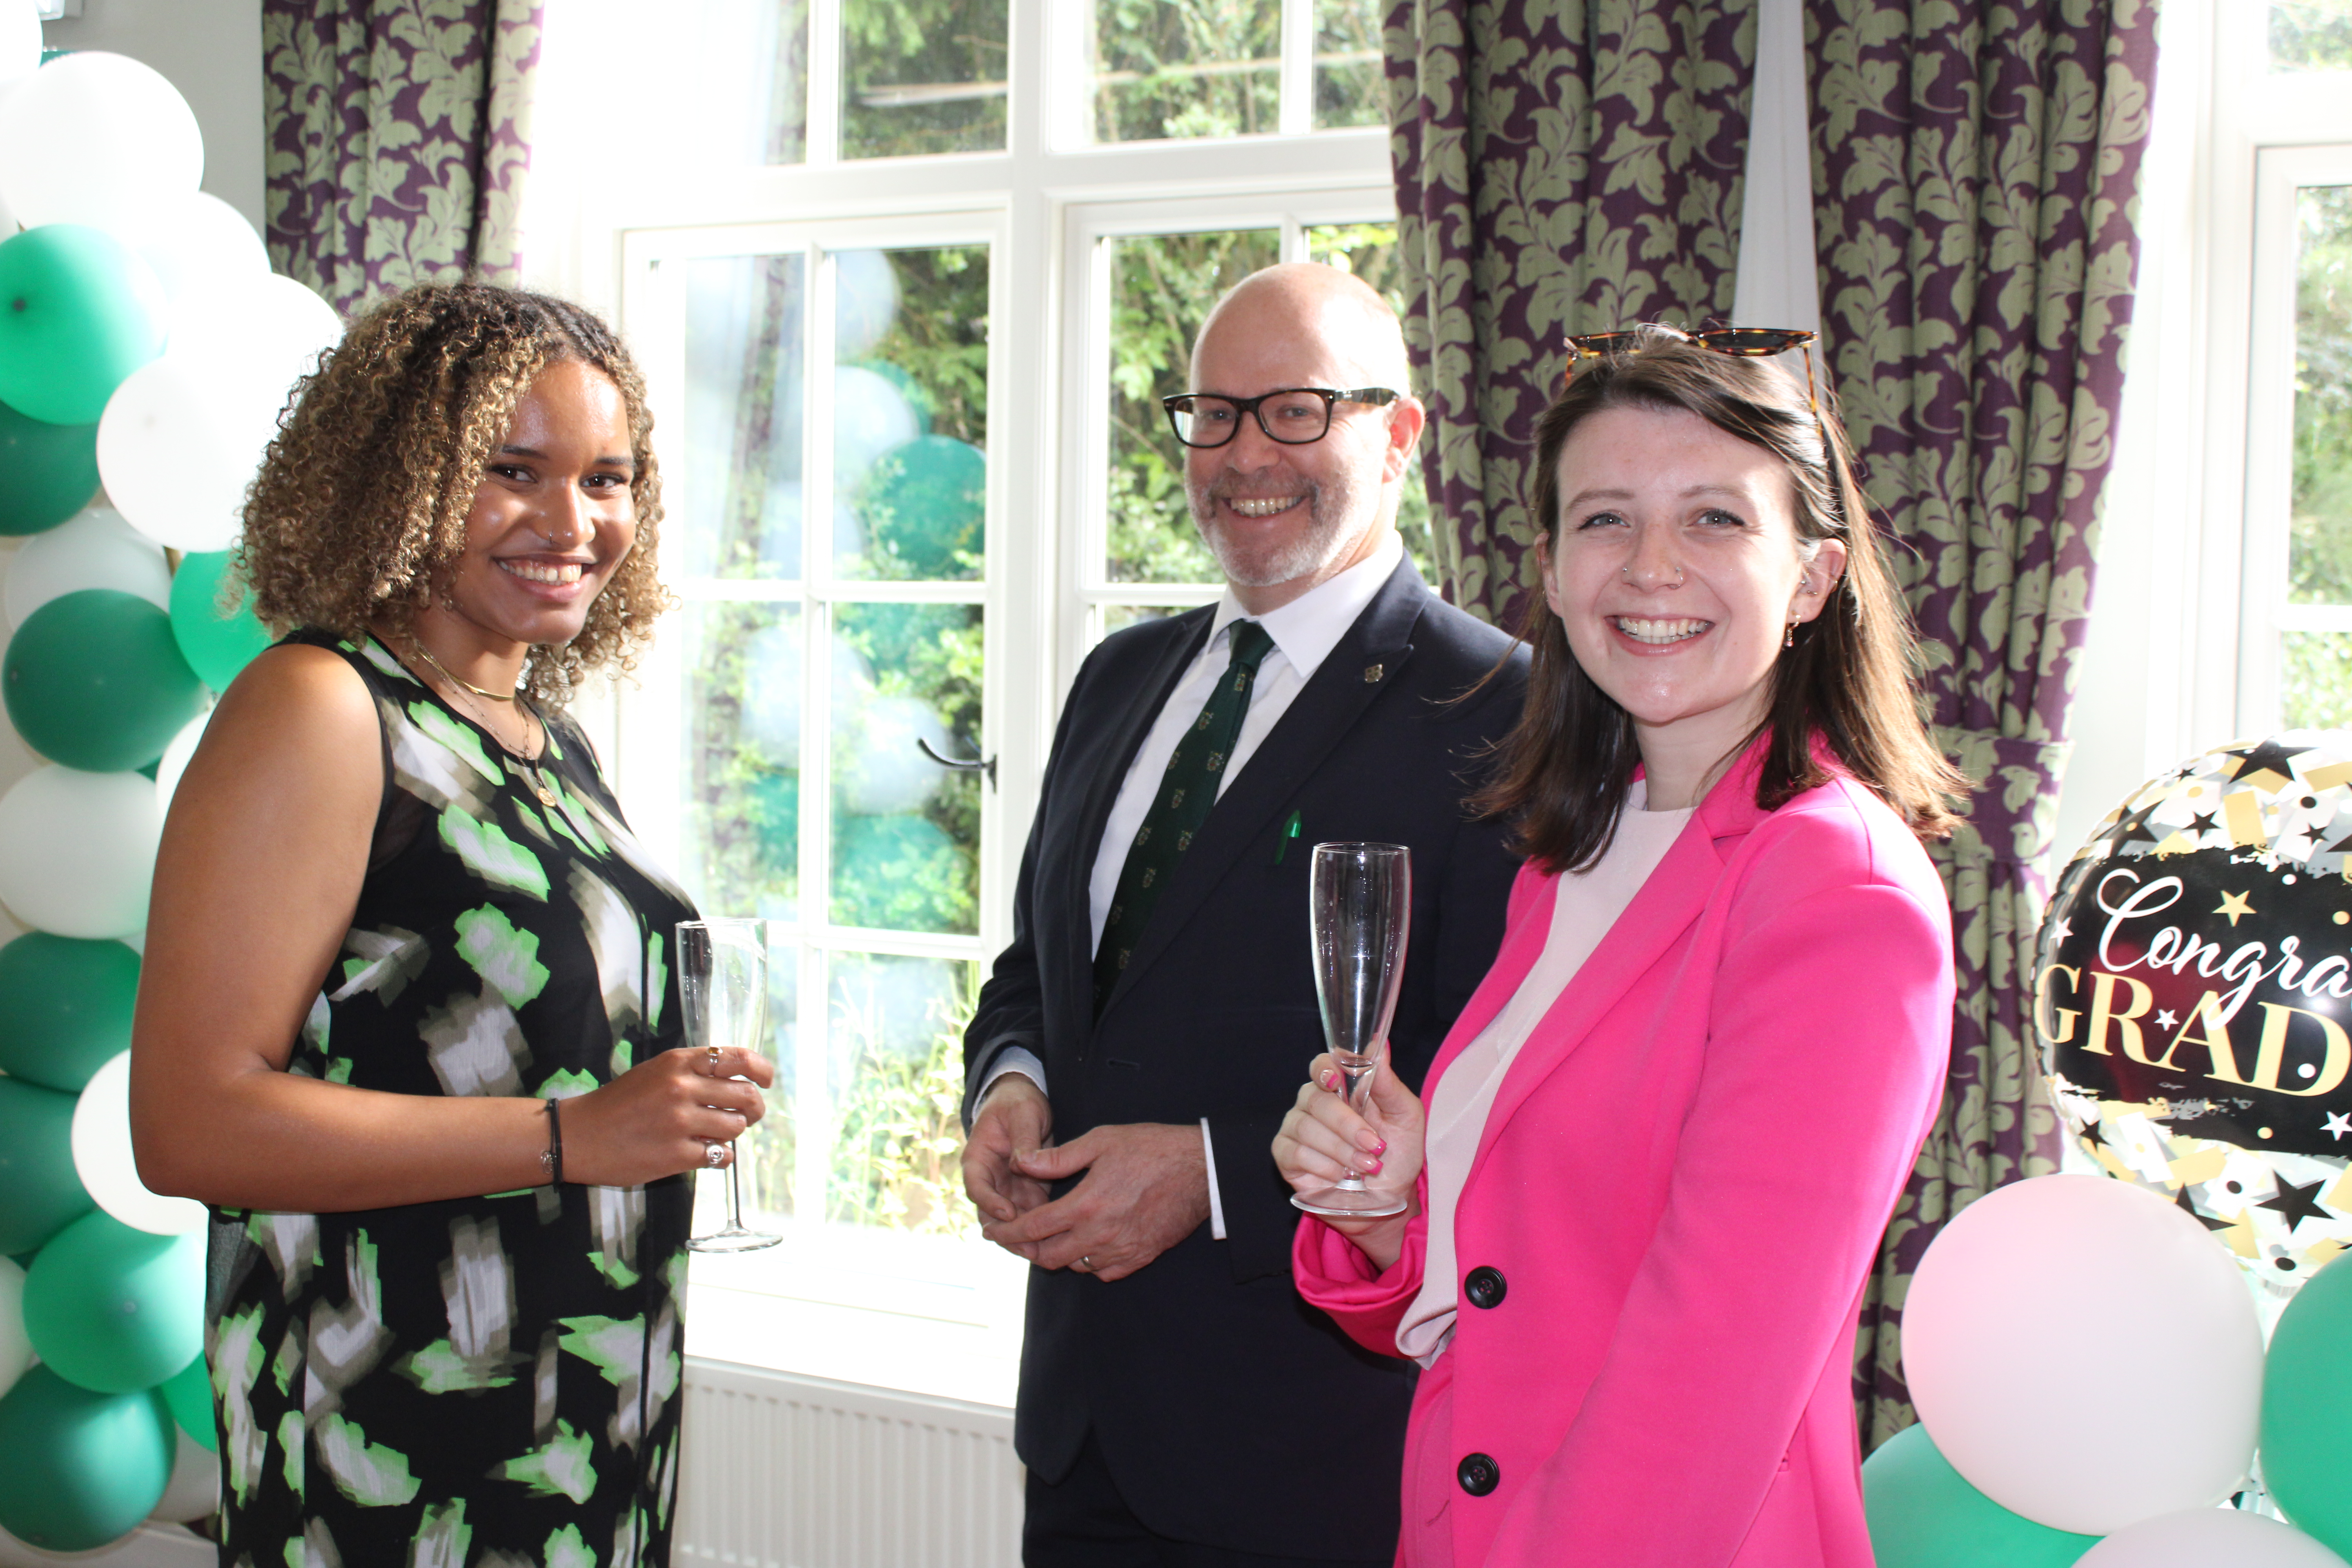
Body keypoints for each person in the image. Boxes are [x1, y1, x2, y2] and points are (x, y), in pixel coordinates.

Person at [1274, 326, 1965, 1567]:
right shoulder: (1570, 861)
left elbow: (1711, 1376)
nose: (1651, 567)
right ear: (1546, 567)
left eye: (1713, 519)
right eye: (1605, 520)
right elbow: (1512, 1295)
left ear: (1812, 577)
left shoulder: (1837, 892)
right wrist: (1386, 1208)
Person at [130, 283, 769, 1568]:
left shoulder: (546, 739)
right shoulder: (318, 706)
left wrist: (656, 1105)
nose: (575, 522)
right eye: (513, 471)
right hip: (398, 1429)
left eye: (610, 479)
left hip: (585, 1407)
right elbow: (187, 1120)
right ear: (400, 479)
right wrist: (571, 1135)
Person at [960, 263, 1530, 1565]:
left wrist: (1217, 1179)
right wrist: (1011, 1084)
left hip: (1317, 1455)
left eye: (1293, 412)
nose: (1242, 454)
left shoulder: (1504, 712)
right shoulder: (1119, 678)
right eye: (1212, 415)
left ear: (1396, 437)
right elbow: (1037, 978)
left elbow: (1498, 1088)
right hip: (1081, 1430)